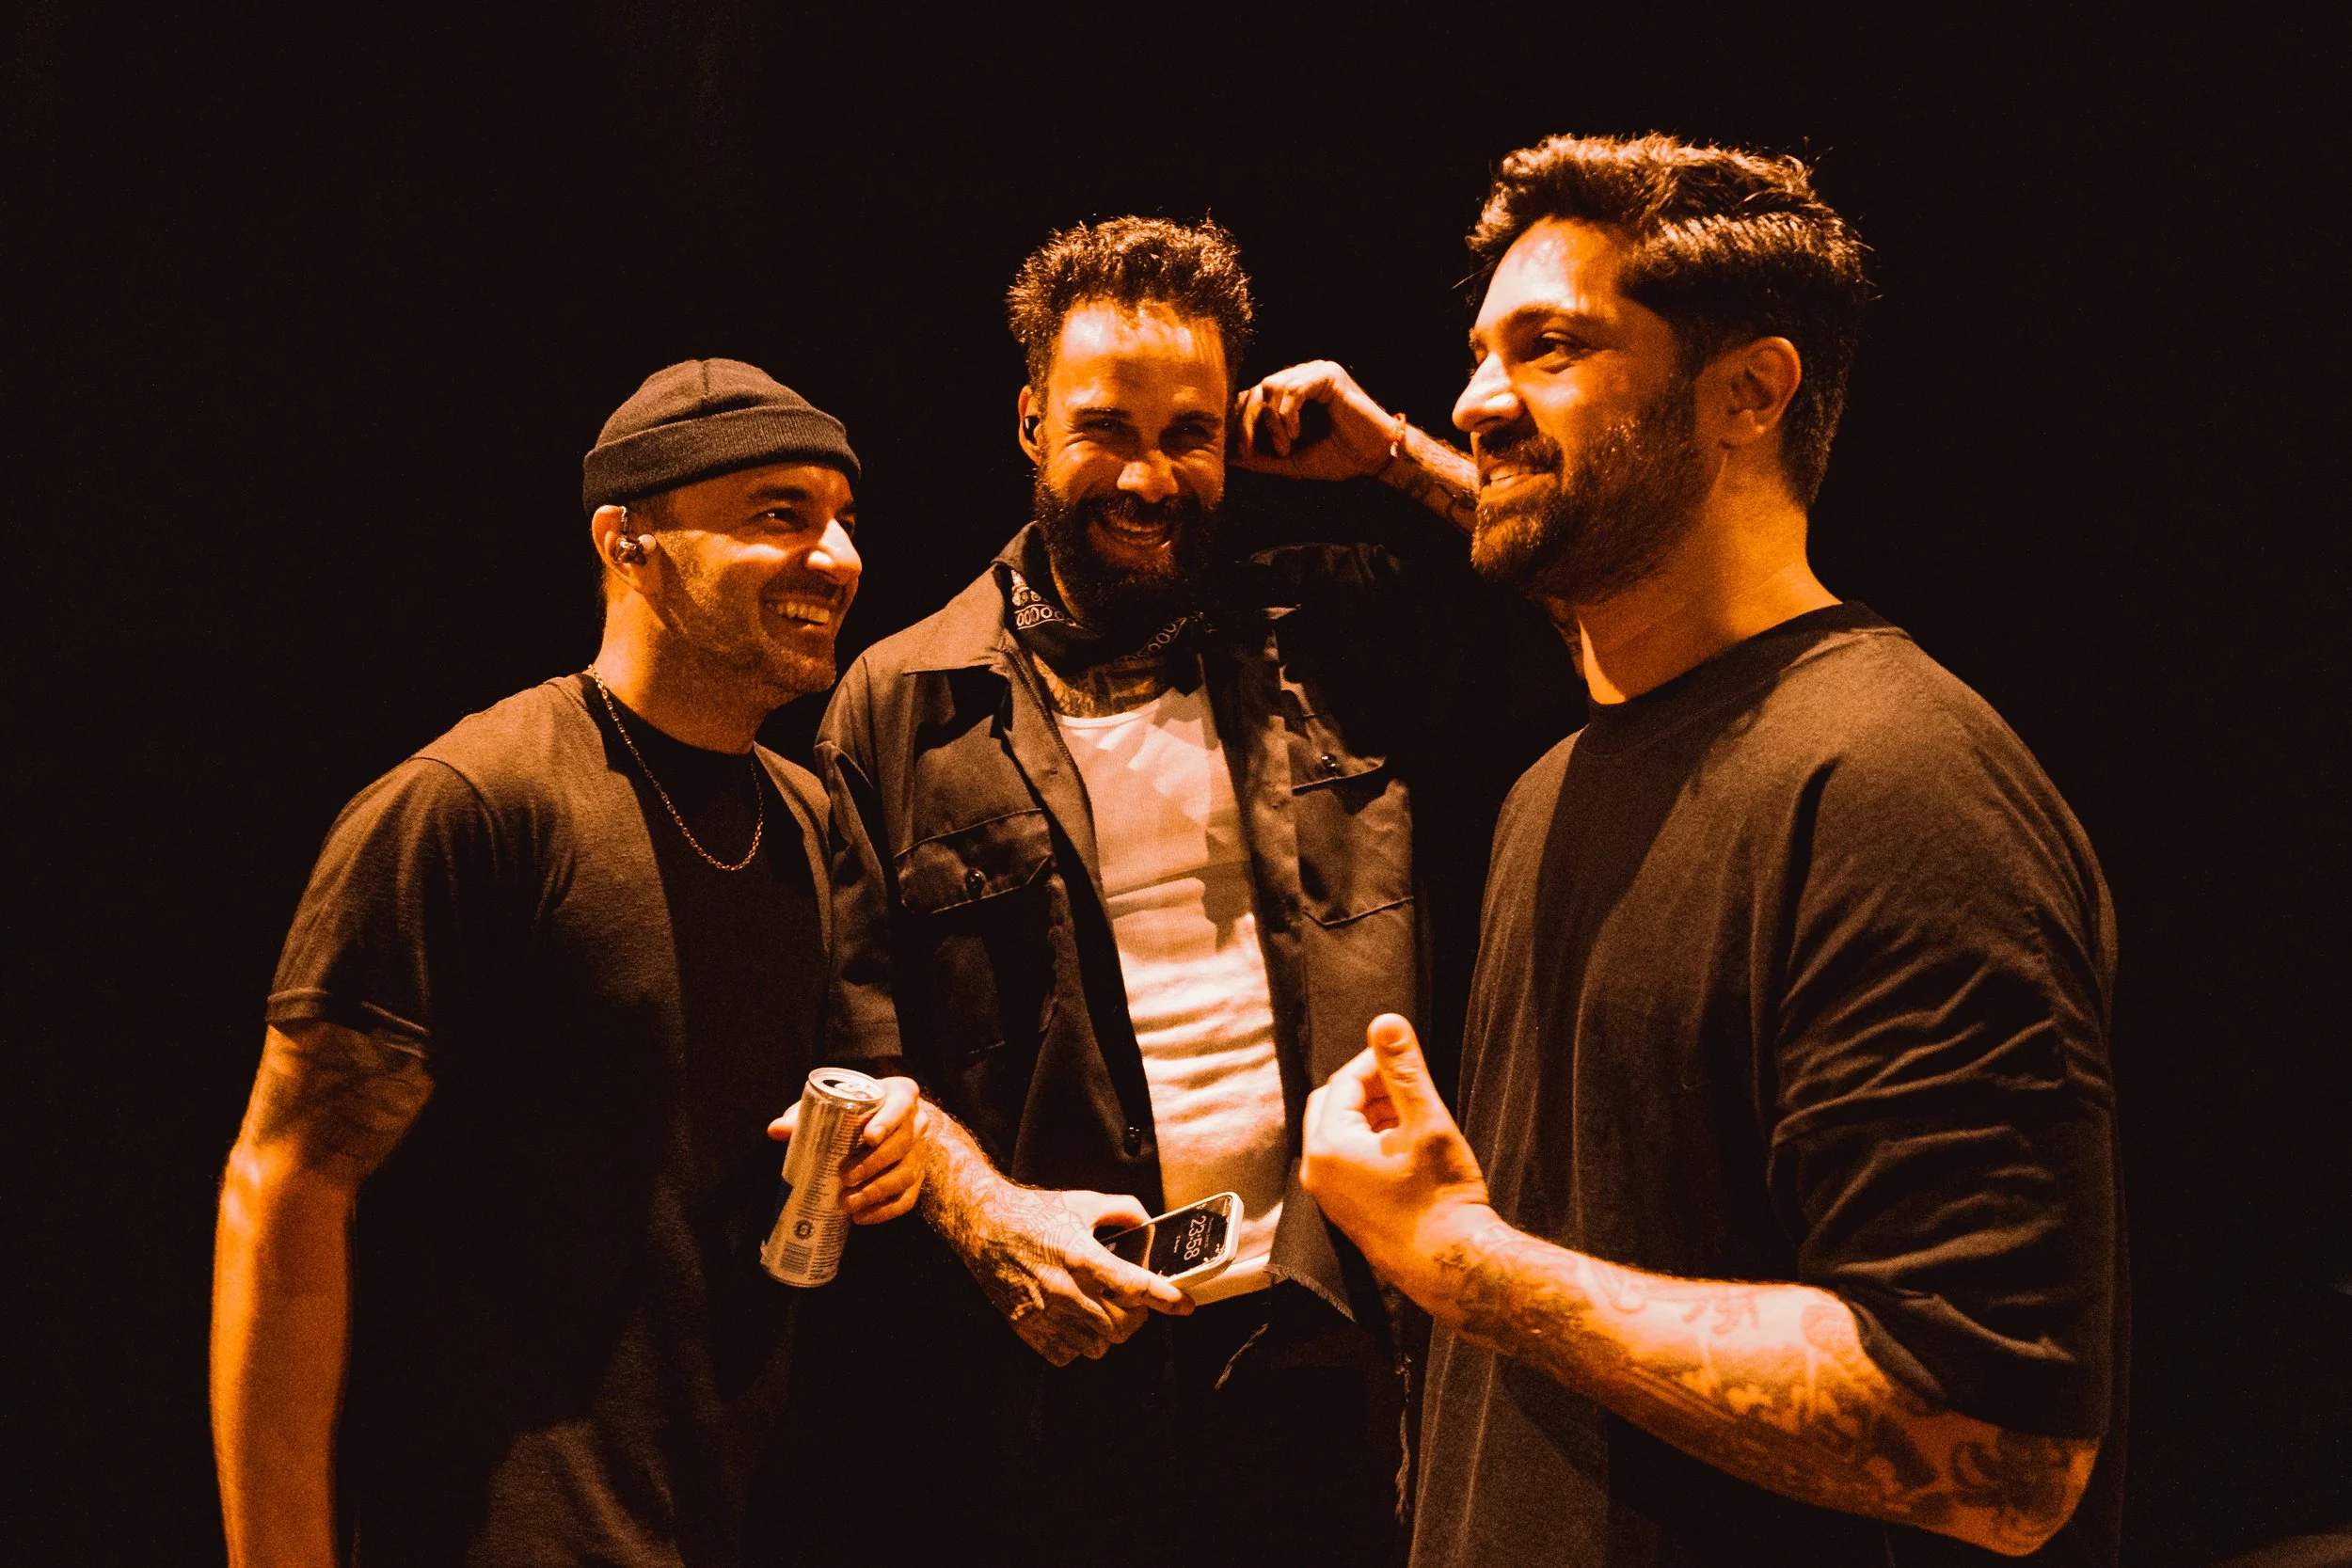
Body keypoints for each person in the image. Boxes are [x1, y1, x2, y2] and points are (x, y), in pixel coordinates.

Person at [1294, 134, 2126, 1566]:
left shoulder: (1898, 785)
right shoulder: (1551, 789)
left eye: (1549, 347)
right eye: (1481, 350)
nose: (1476, 400)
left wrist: (1459, 1261)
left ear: (1749, 392)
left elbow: (2001, 1451)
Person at [812, 217, 1578, 1565]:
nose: (1152, 476)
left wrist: (1390, 452)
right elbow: (850, 1048)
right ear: (1031, 422)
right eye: (1108, 427)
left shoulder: (1334, 625)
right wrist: (981, 1207)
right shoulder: (902, 700)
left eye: (1193, 431)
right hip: (1066, 1374)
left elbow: (1588, 598)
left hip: (1342, 1348)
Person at [211, 359, 930, 1568]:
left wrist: (891, 1135)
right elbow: (283, 1188)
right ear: (628, 538)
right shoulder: (474, 806)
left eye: (843, 516)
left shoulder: (806, 818)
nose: (838, 556)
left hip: (717, 1520)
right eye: (779, 513)